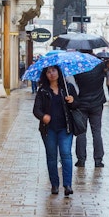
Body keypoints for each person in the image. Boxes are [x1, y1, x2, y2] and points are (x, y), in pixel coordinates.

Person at [32, 65, 78, 196]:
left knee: (66, 155)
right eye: (48, 72)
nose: (51, 74)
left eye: (54, 70)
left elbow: (76, 105)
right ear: (45, 75)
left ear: (59, 72)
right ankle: (55, 185)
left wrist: (72, 101)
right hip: (49, 130)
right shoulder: (43, 91)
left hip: (65, 128)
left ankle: (67, 185)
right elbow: (36, 110)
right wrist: (43, 116)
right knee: (52, 157)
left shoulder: (68, 88)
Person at [72, 56, 109, 168]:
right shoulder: (100, 65)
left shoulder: (78, 66)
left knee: (81, 132)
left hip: (82, 103)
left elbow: (75, 83)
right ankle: (98, 160)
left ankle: (81, 159)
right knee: (97, 132)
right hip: (97, 103)